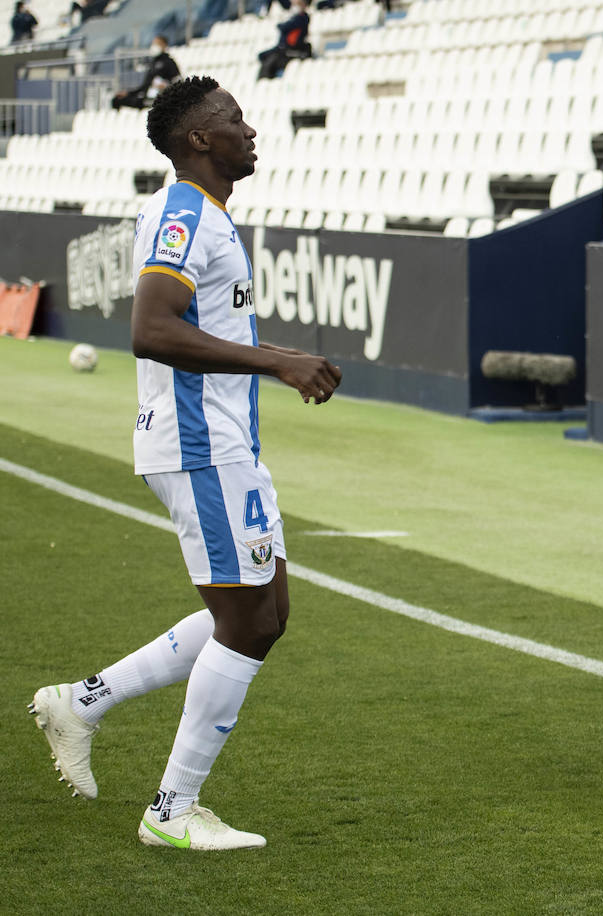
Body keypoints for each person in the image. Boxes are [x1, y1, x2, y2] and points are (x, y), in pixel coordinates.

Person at [27, 75, 342, 850]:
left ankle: (83, 703)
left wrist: (269, 363)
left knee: (266, 614)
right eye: (233, 118)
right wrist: (276, 361)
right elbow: (152, 329)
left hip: (225, 444)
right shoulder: (179, 214)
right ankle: (171, 811)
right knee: (246, 620)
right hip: (196, 444)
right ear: (198, 139)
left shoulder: (209, 218)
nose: (249, 128)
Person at [112, 35, 181, 110]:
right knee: (116, 99)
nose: (154, 46)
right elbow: (144, 86)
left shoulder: (169, 62)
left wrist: (166, 86)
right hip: (145, 96)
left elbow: (178, 82)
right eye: (153, 44)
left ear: (164, 45)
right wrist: (128, 93)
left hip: (158, 97)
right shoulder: (153, 63)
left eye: (157, 44)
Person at [257, 0, 310, 80]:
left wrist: (285, 25)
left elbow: (284, 27)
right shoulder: (292, 17)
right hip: (282, 49)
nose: (295, 6)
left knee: (272, 61)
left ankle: (266, 81)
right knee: (263, 56)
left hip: (291, 51)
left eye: (298, 4)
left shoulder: (303, 18)